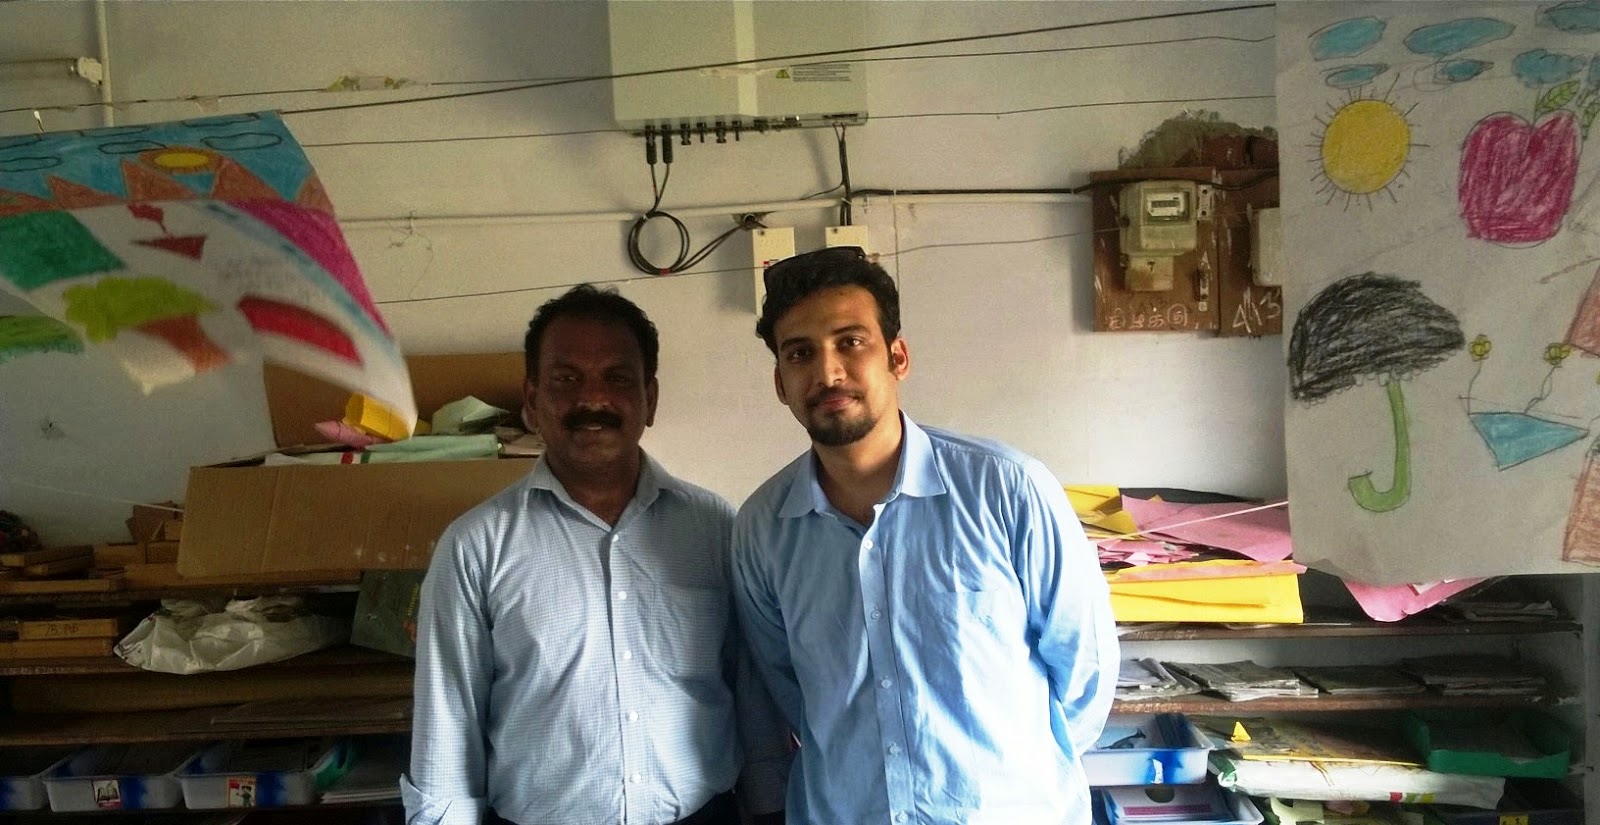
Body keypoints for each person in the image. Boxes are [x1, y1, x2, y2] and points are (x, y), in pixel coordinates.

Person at [732, 248, 1119, 825]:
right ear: (780, 383)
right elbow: (788, 690)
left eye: (850, 342)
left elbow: (1085, 672)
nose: (828, 372)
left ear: (898, 356)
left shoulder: (1006, 489)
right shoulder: (763, 529)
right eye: (800, 353)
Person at [405, 284, 789, 825]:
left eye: (618, 378)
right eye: (566, 379)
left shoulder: (714, 530)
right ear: (533, 400)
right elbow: (448, 728)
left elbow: (751, 691)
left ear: (650, 399)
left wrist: (772, 807)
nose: (593, 399)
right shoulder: (476, 547)